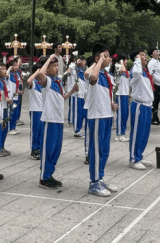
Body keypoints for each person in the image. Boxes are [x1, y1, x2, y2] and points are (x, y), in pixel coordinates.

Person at [35, 53, 78, 189]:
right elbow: (40, 74)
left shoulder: (57, 81)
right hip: (49, 119)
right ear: (47, 69)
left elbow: (62, 97)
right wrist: (49, 59)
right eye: (54, 66)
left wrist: (71, 91)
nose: (57, 68)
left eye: (57, 66)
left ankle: (49, 174)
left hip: (58, 120)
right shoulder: (46, 80)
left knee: (56, 150)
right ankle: (43, 178)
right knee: (48, 150)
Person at [85, 43, 118, 197]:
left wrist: (111, 103)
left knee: (105, 150)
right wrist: (99, 61)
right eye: (106, 56)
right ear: (98, 58)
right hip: (97, 116)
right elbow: (92, 77)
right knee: (97, 151)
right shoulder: (93, 72)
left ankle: (101, 177)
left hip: (106, 115)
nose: (109, 59)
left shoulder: (107, 75)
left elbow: (104, 93)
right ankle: (94, 182)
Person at [128, 48, 154, 170]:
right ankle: (133, 159)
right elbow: (136, 73)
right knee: (137, 132)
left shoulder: (144, 72)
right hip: (139, 105)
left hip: (147, 105)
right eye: (143, 56)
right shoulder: (135, 71)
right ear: (136, 58)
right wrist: (137, 60)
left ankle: (139, 155)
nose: (146, 58)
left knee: (144, 133)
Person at [26, 57, 46, 160]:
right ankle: (34, 149)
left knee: (41, 130)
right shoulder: (33, 83)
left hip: (43, 110)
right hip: (35, 110)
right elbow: (29, 80)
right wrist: (36, 72)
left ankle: (40, 147)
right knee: (35, 130)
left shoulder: (43, 83)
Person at [114, 55, 130, 142]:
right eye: (125, 59)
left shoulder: (126, 71)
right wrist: (120, 61)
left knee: (125, 115)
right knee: (120, 115)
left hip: (125, 95)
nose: (127, 61)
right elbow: (122, 70)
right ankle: (119, 134)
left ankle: (122, 132)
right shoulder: (119, 68)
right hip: (120, 95)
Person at [147, 48, 160, 124]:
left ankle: (156, 116)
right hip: (156, 84)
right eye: (155, 52)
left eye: (157, 51)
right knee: (154, 101)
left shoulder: (158, 61)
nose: (157, 53)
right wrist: (159, 80)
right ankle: (153, 118)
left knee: (157, 102)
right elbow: (152, 74)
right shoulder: (151, 63)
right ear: (151, 54)